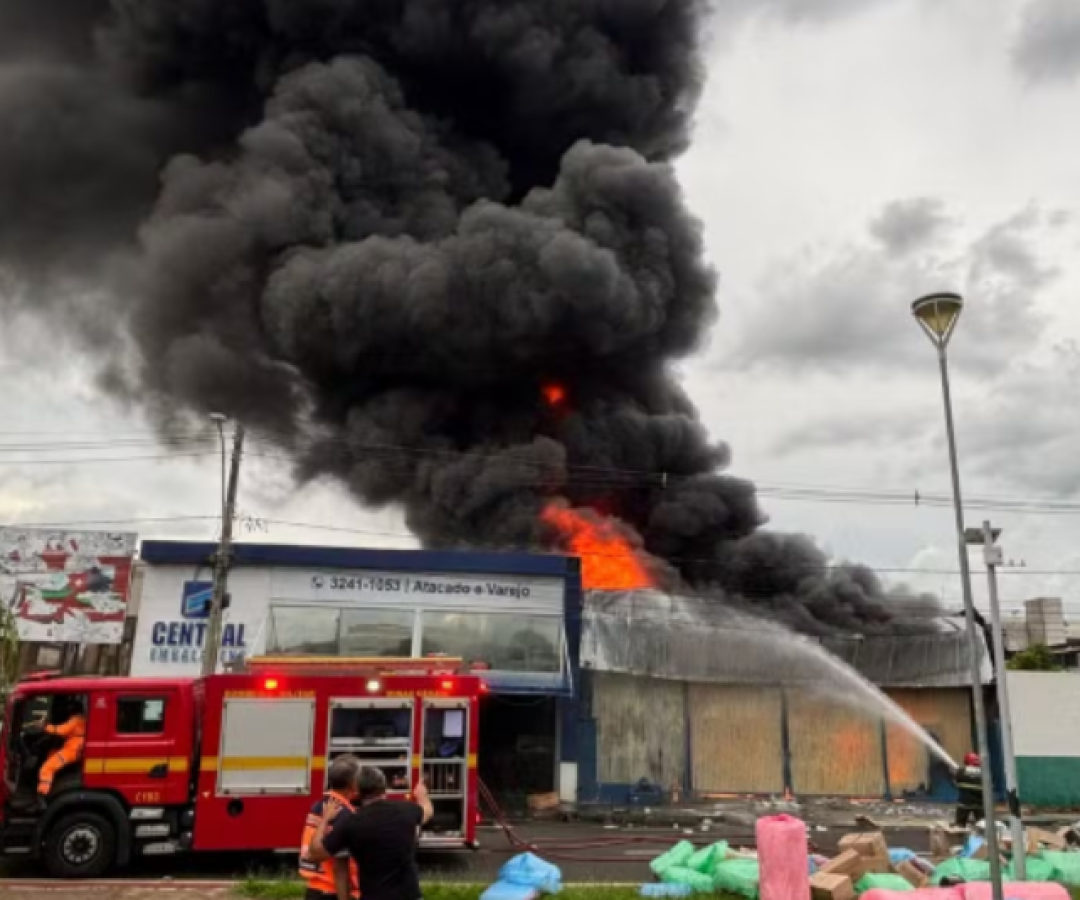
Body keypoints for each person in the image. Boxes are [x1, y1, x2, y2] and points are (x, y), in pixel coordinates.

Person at [308, 768, 434, 900]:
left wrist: (325, 819)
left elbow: (314, 854)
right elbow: (428, 811)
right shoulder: (407, 810)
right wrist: (421, 794)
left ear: (356, 790)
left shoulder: (350, 823)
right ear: (384, 788)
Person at [299, 755, 362, 900]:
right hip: (334, 890)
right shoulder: (345, 813)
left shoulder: (318, 806)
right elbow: (341, 867)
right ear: (353, 783)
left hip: (314, 888)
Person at [36, 697, 86, 805]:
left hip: (71, 750)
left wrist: (45, 727)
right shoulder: (83, 720)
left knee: (46, 768)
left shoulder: (75, 720)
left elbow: (61, 730)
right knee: (51, 753)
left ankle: (41, 796)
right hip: (75, 748)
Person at [954, 752, 983, 827]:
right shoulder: (983, 772)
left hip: (964, 802)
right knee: (982, 824)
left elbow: (956, 782)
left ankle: (960, 831)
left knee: (960, 824)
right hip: (979, 803)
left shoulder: (961, 771)